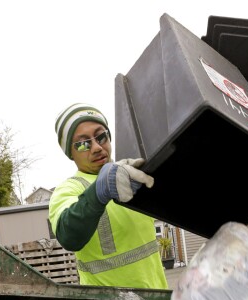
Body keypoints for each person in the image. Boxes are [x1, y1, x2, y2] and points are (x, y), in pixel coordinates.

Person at [48, 103, 169, 289]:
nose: (96, 147)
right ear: (70, 154)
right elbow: (68, 235)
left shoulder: (134, 175)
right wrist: (97, 192)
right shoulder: (68, 190)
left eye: (101, 136)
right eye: (83, 144)